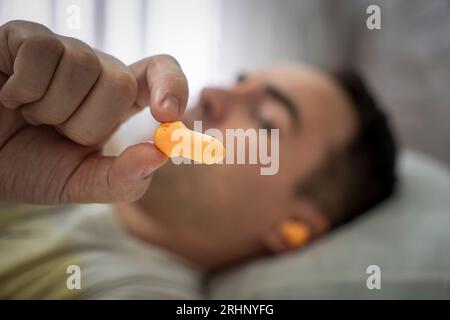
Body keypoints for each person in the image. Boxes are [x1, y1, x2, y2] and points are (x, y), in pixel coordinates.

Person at [0, 21, 396, 299]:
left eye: (264, 120)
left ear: (294, 228)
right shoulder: (52, 133)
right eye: (240, 81)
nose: (210, 92)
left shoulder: (133, 291)